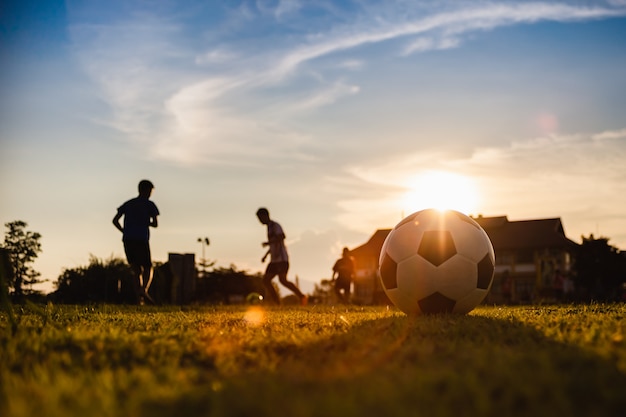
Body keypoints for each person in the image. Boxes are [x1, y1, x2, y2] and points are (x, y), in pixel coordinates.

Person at [113, 180, 159, 305]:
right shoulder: (150, 205)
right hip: (141, 239)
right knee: (148, 267)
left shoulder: (129, 204)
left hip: (128, 239)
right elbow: (155, 224)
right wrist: (145, 221)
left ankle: (139, 299)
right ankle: (144, 290)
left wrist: (124, 231)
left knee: (136, 270)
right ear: (147, 191)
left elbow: (115, 220)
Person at [256, 207, 307, 306]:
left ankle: (302, 296)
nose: (260, 221)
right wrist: (265, 255)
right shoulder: (269, 228)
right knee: (266, 280)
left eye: (260, 218)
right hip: (274, 260)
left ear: (265, 216)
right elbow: (273, 245)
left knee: (283, 280)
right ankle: (277, 303)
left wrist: (268, 242)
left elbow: (282, 237)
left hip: (282, 259)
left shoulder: (275, 225)